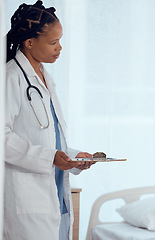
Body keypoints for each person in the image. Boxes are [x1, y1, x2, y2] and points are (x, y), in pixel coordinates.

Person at [4, 1, 99, 239]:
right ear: (29, 43)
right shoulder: (10, 77)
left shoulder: (45, 78)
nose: (60, 48)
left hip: (54, 189)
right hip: (29, 196)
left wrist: (72, 156)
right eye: (53, 42)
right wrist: (49, 158)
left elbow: (49, 135)